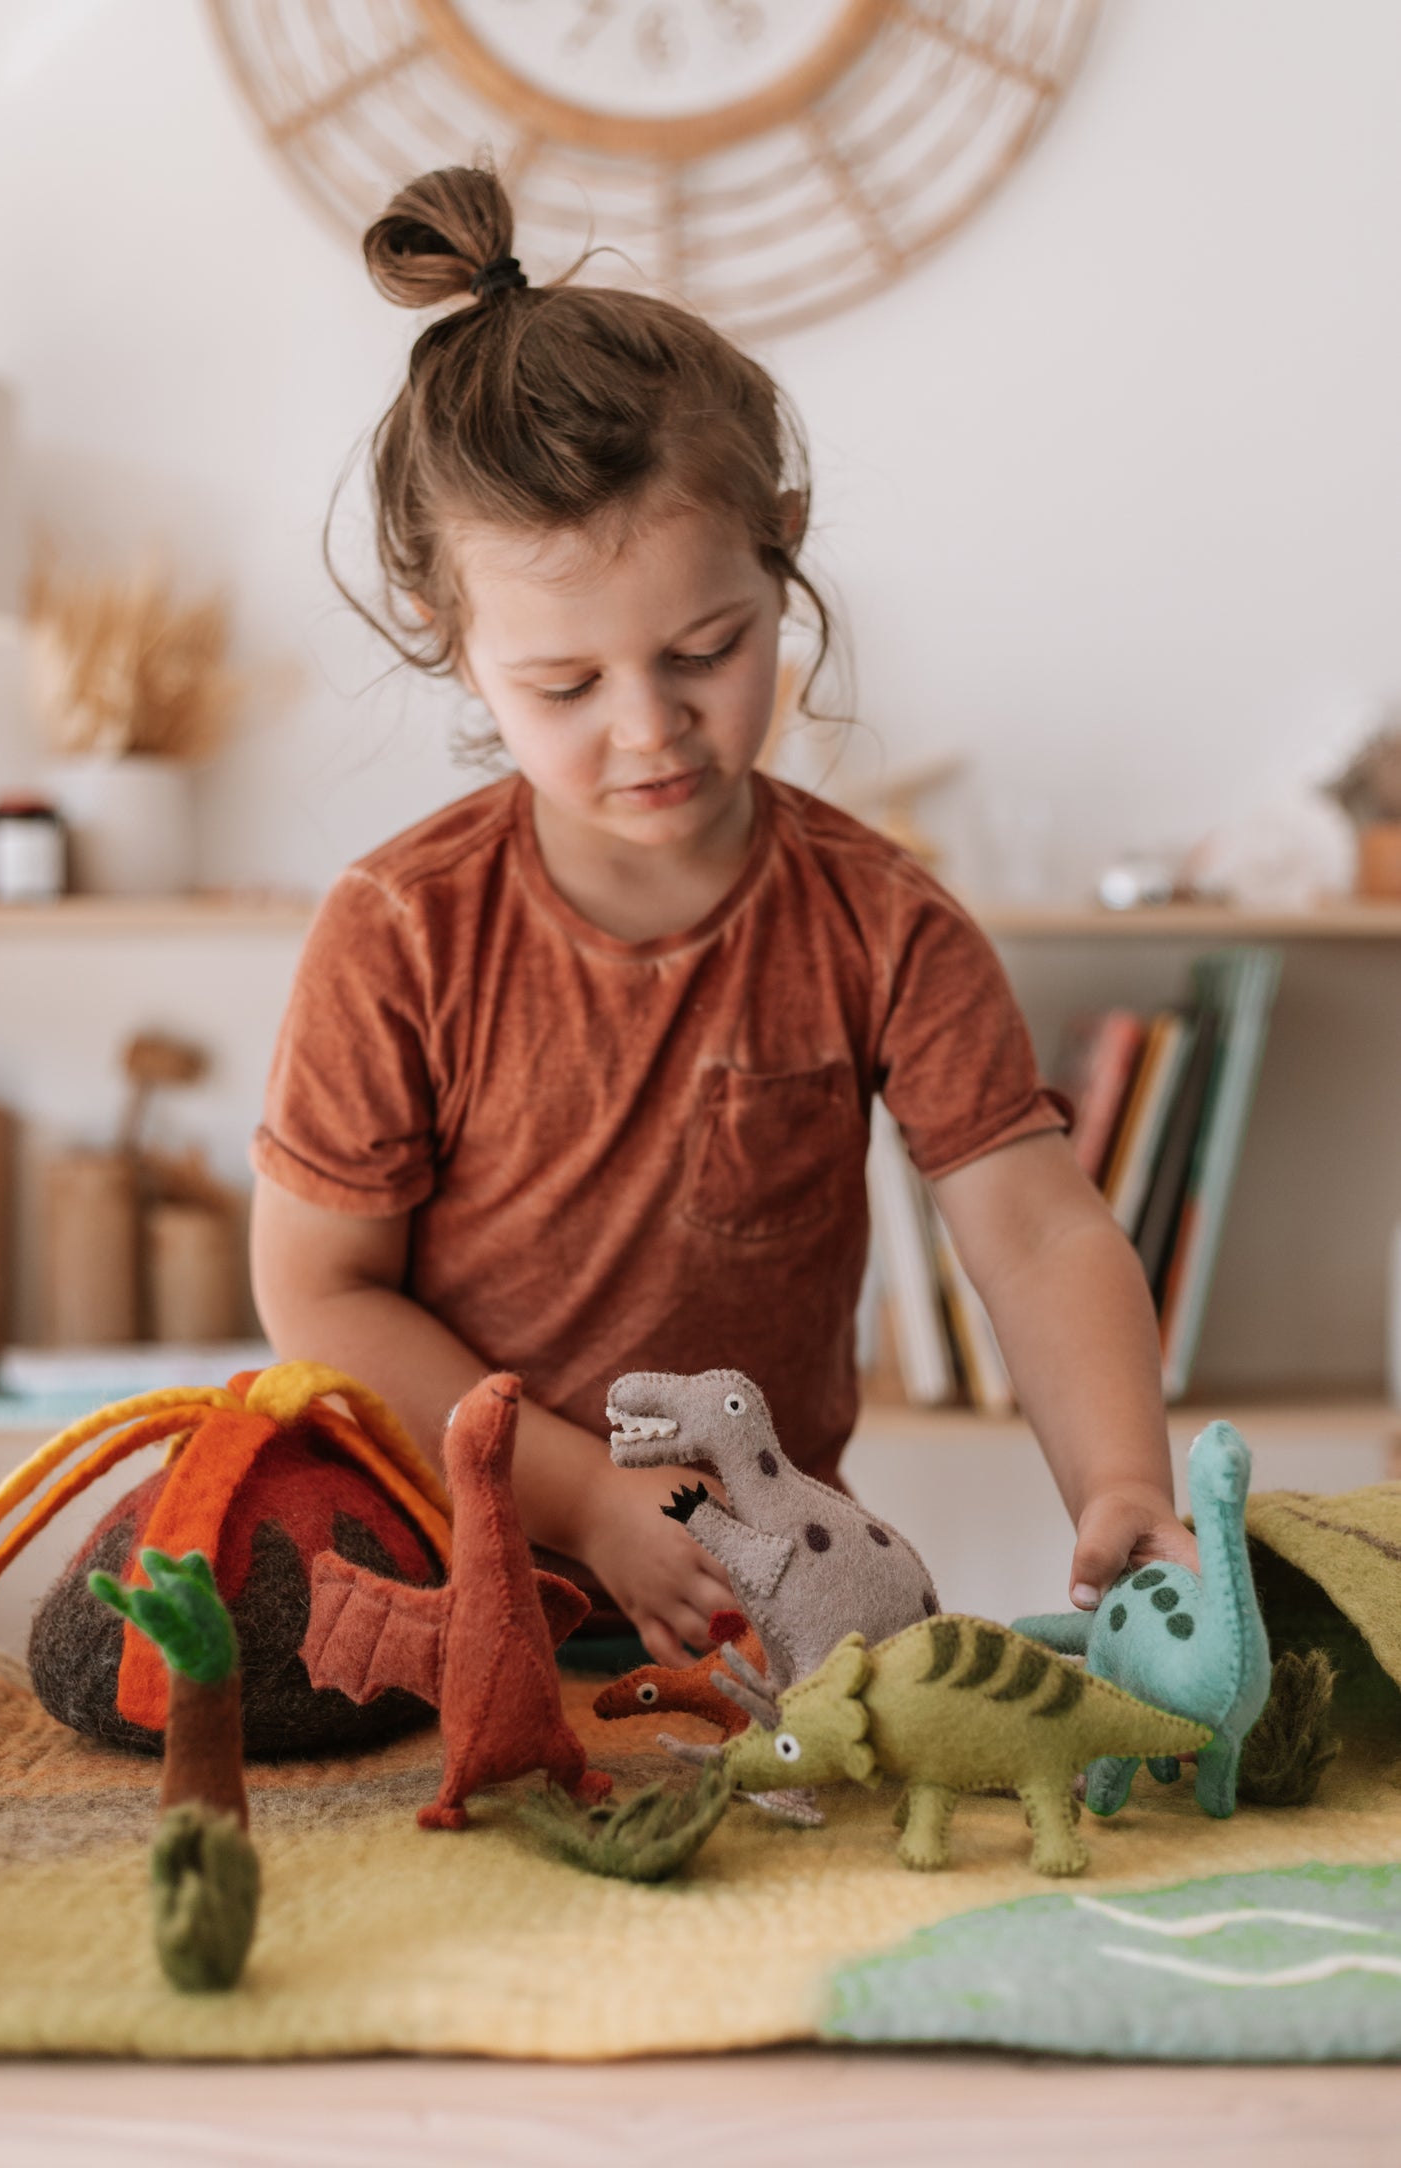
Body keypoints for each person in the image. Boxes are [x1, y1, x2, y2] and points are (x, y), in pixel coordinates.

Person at [250, 164, 1197, 1669]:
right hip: (444, 1588)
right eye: (564, 687)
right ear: (452, 642)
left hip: (751, 1600)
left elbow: (1032, 1231)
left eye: (706, 648)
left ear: (783, 549)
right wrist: (590, 1499)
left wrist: (1121, 1483)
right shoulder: (399, 932)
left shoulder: (881, 923)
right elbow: (320, 1289)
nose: (649, 728)